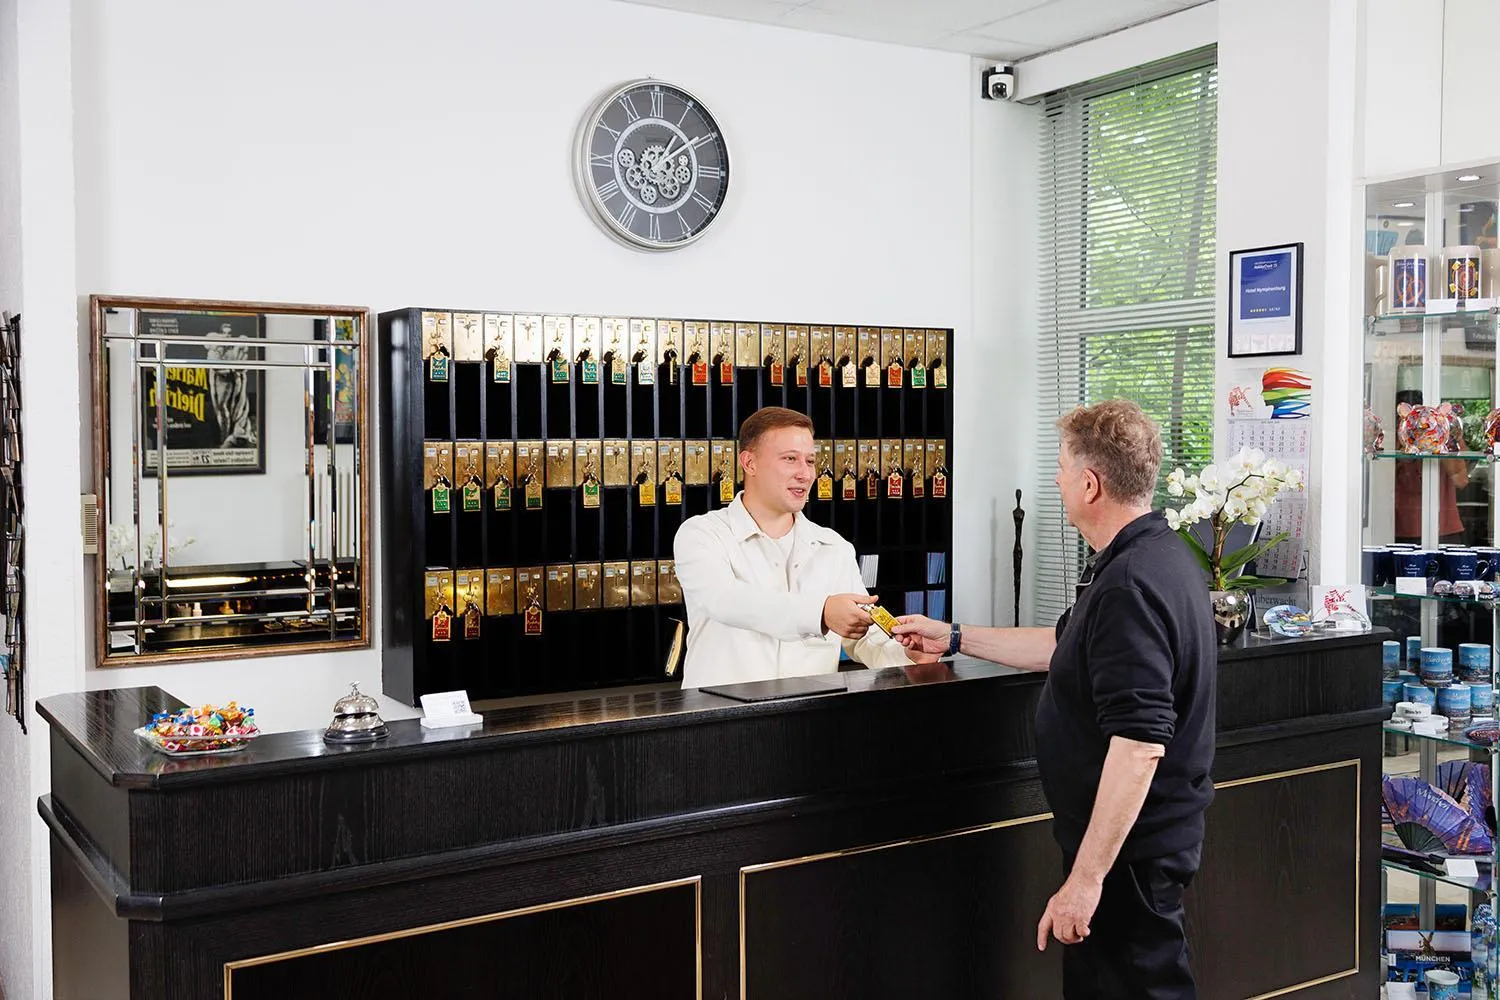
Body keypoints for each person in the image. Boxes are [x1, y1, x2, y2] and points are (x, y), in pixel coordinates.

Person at [894, 399, 1214, 1000]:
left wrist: (1086, 880)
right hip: (1136, 844)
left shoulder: (1129, 585)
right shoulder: (1158, 557)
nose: (1059, 481)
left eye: (1063, 469)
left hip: (1127, 855)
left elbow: (1140, 744)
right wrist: (957, 637)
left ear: (1090, 485)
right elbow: (1063, 645)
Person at [672, 406, 929, 688]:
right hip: (721, 720)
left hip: (808, 720)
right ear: (749, 462)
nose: (805, 474)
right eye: (790, 459)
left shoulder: (834, 547)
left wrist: (906, 653)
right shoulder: (702, 535)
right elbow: (726, 600)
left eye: (809, 461)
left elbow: (863, 638)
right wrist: (820, 613)